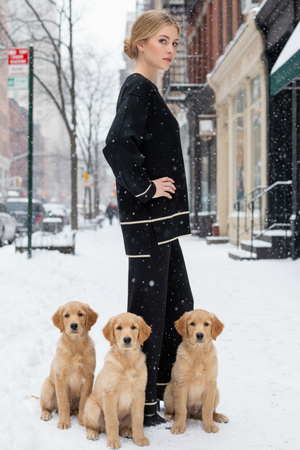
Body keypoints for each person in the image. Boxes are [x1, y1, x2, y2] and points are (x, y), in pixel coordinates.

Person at [103, 10, 194, 427]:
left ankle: (158, 395)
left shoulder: (149, 90)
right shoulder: (138, 89)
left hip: (161, 225)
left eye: (175, 42)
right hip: (148, 224)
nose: (171, 49)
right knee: (145, 316)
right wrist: (146, 188)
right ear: (141, 43)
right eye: (163, 41)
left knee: (176, 308)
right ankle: (137, 406)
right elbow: (118, 145)